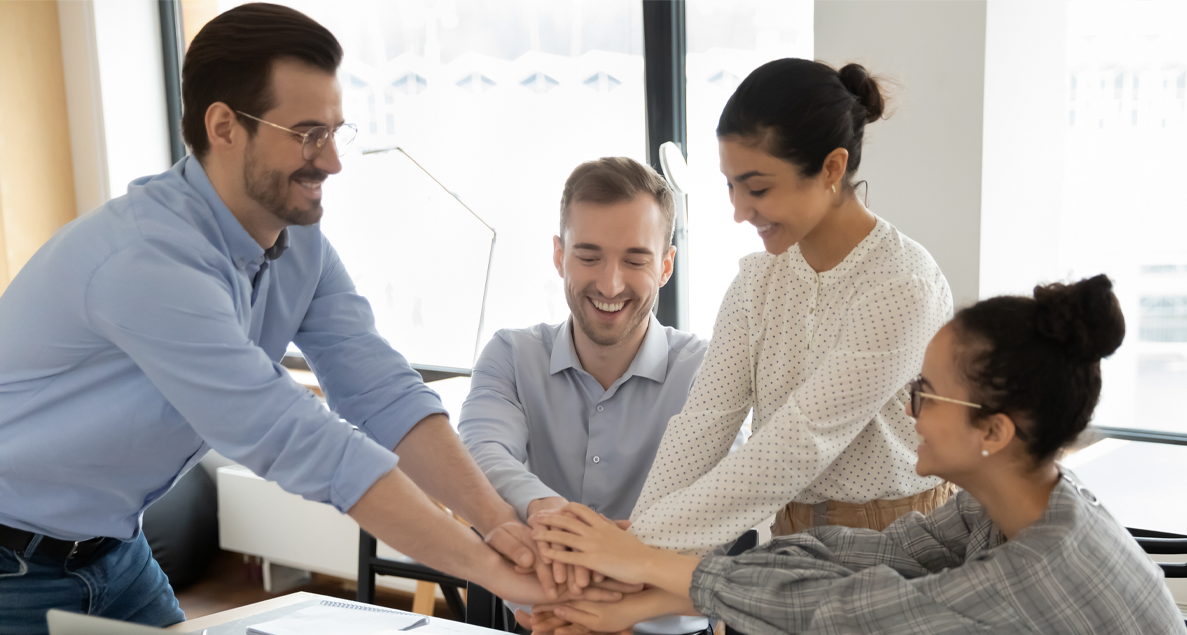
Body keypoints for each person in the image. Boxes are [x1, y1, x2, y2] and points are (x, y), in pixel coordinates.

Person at [0, 5, 561, 633]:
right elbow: (297, 436)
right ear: (224, 126)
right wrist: (497, 573)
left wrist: (502, 526)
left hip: (114, 553)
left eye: (335, 132)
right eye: (306, 133)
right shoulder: (146, 260)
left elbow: (382, 393)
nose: (332, 162)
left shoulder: (301, 246)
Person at [529, 275, 1187, 635]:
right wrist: (644, 590)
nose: (909, 409)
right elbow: (860, 556)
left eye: (927, 394)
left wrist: (644, 564)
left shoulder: (1038, 569)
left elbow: (844, 615)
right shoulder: (1022, 505)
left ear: (994, 431)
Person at [628, 58, 956, 556]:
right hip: (790, 540)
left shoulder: (901, 286)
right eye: (730, 185)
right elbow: (704, 422)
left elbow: (799, 443)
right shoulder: (758, 280)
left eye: (758, 188)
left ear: (831, 168)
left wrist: (638, 547)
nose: (739, 211)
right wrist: (636, 535)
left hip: (899, 546)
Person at [458, 158, 710, 635]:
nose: (610, 284)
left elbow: (715, 513)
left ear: (666, 265)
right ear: (559, 256)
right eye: (589, 256)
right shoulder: (511, 355)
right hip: (540, 626)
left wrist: (603, 597)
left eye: (635, 260)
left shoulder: (706, 371)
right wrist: (552, 511)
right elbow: (480, 452)